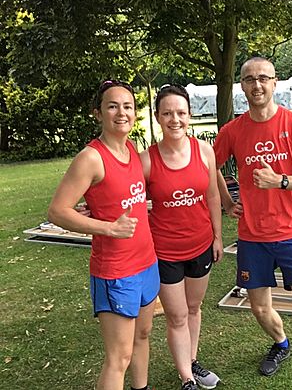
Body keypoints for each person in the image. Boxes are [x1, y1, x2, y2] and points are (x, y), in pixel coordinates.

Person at [213, 57, 292, 390]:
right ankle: (281, 342)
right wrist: (226, 200)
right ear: (242, 87)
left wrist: (282, 181)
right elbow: (212, 167)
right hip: (252, 236)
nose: (257, 85)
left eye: (263, 78)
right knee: (260, 308)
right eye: (250, 79)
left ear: (274, 83)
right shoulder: (233, 131)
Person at [48, 80, 159, 390]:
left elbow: (118, 197)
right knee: (118, 357)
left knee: (143, 335)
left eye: (128, 106)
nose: (121, 113)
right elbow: (57, 211)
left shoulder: (132, 150)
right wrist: (108, 227)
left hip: (147, 262)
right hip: (115, 271)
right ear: (98, 113)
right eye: (113, 106)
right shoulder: (91, 158)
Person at [139, 84, 223, 390]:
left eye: (181, 113)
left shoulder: (205, 151)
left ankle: (192, 360)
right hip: (164, 251)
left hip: (201, 245)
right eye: (168, 113)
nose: (175, 119)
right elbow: (125, 194)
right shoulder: (146, 161)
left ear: (190, 115)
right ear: (158, 117)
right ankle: (186, 378)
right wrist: (93, 204)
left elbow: (213, 195)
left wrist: (217, 236)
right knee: (176, 316)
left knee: (193, 308)